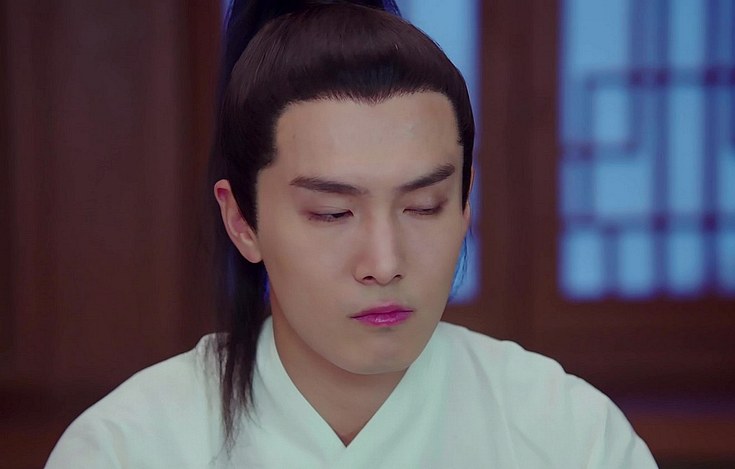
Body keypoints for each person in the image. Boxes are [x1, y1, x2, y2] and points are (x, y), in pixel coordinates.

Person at [46, 1, 657, 467]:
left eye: (423, 207)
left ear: (466, 202)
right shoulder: (129, 448)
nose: (384, 263)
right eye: (332, 214)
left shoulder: (568, 435)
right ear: (242, 221)